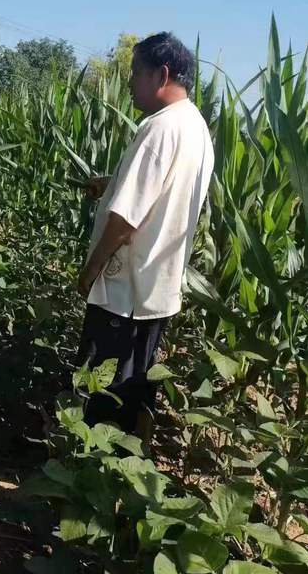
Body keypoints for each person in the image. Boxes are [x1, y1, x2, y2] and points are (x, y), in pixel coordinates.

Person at [76, 32, 214, 433]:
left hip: (124, 295)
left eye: (136, 72)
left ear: (162, 74)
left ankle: (88, 478)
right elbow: (163, 192)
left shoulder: (158, 128)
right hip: (157, 291)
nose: (130, 82)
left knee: (101, 393)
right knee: (135, 390)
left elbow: (127, 219)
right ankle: (124, 479)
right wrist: (112, 182)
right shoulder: (195, 127)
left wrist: (91, 270)